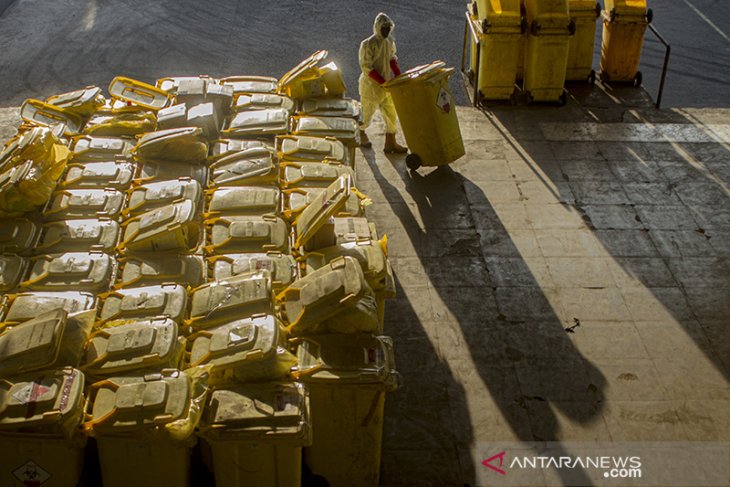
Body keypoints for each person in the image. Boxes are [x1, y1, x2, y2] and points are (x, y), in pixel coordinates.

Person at [358, 12, 408, 154]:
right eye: (384, 28)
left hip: (387, 86)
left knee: (391, 115)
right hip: (371, 87)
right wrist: (381, 81)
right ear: (377, 28)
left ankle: (390, 143)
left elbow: (392, 58)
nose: (386, 31)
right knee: (366, 114)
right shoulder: (368, 44)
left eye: (388, 28)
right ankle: (361, 135)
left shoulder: (389, 41)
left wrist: (398, 75)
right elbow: (366, 67)